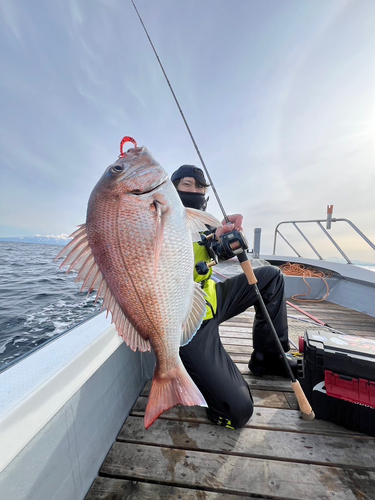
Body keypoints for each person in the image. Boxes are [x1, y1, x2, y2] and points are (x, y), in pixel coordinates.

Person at [171, 164, 297, 429]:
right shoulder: (162, 220)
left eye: (200, 186)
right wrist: (209, 242)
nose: (195, 190)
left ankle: (268, 358)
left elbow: (216, 251)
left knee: (271, 276)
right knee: (236, 412)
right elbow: (172, 261)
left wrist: (223, 239)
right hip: (188, 320)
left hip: (211, 298)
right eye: (186, 185)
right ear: (171, 190)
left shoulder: (206, 220)